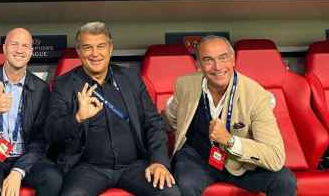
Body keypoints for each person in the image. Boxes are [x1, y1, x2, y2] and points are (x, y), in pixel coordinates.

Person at [46, 21, 179, 196]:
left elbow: (153, 123)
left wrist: (159, 162)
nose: (95, 54)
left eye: (101, 46)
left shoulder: (131, 78)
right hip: (87, 169)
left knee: (169, 193)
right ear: (78, 52)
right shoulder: (64, 85)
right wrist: (77, 118)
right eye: (87, 48)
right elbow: (51, 132)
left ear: (110, 48)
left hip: (134, 166)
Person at [164, 35, 297, 195]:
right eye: (208, 60)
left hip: (241, 163)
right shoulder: (185, 85)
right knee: (184, 184)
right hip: (196, 159)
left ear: (233, 60)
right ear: (198, 65)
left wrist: (230, 141)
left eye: (223, 58)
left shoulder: (257, 96)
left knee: (284, 180)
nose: (217, 67)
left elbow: (275, 157)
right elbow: (170, 120)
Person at [0, 28, 63, 196]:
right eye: (14, 44)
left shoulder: (41, 89)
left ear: (30, 52)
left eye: (25, 46)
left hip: (25, 155)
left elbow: (41, 139)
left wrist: (19, 170)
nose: (19, 50)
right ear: (4, 48)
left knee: (53, 178)